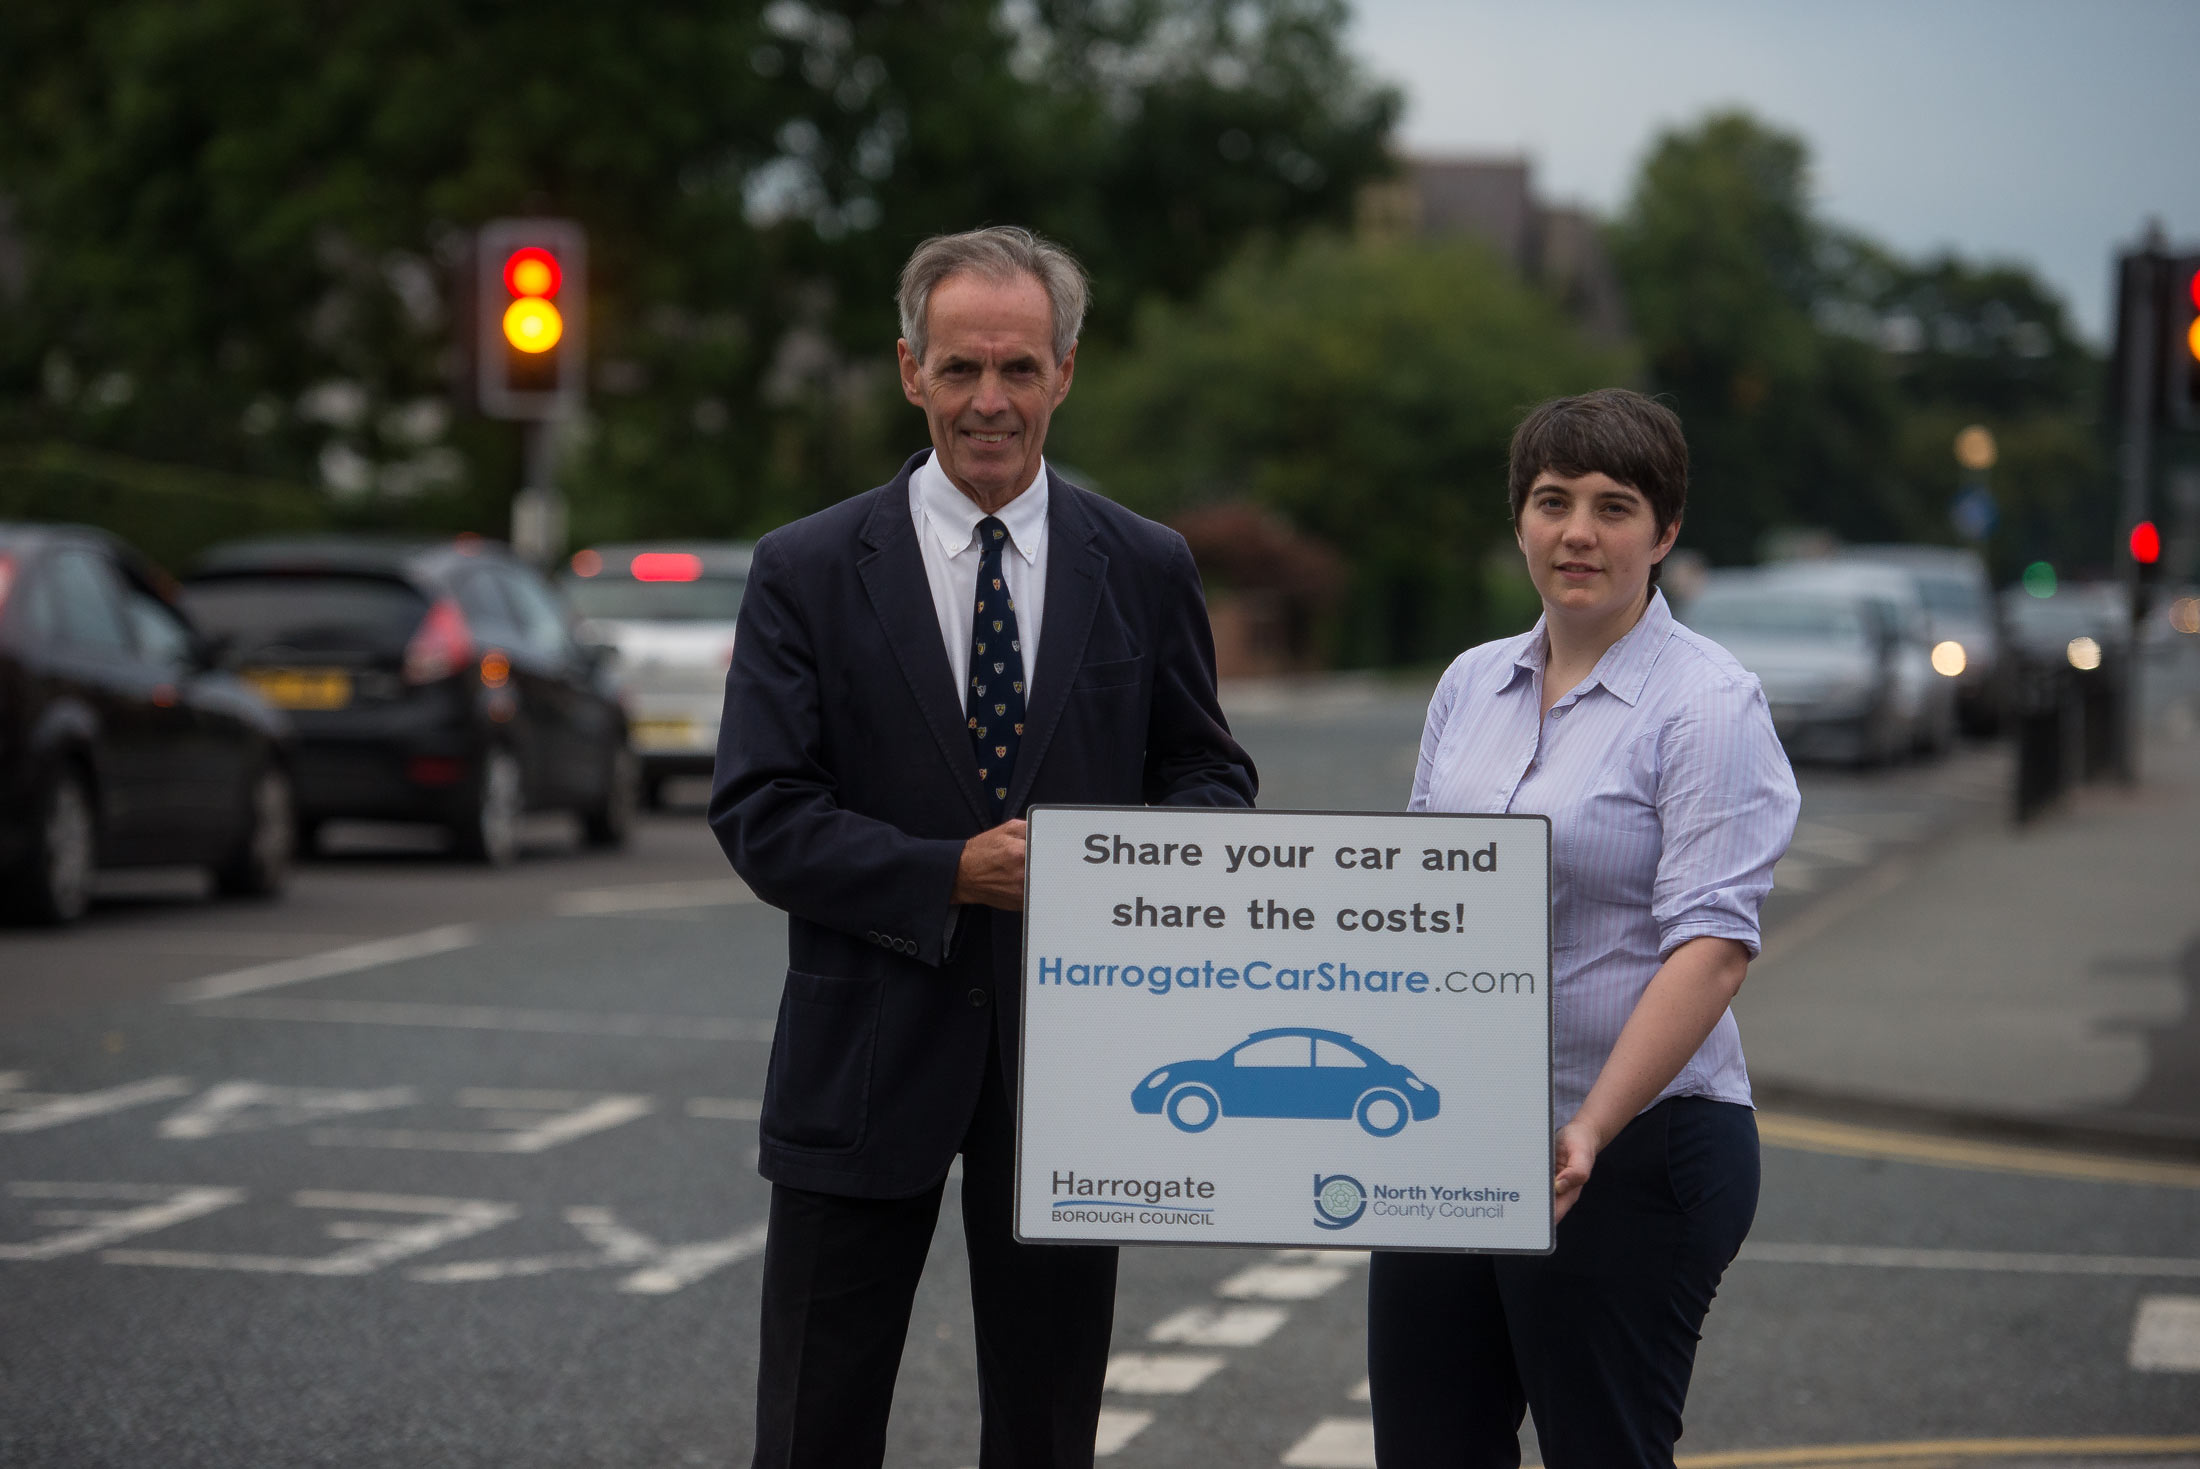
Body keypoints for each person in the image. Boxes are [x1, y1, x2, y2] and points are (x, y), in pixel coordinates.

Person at [710, 226, 1257, 1469]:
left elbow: (1206, 773)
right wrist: (949, 874)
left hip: (1078, 1070)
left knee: (1047, 1426)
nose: (988, 401)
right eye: (959, 369)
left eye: (1018, 367)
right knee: (812, 1427)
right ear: (909, 370)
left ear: (1066, 369)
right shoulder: (804, 568)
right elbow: (761, 809)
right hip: (862, 1056)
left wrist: (1141, 872)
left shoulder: (1149, 563)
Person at [1366, 389, 1798, 1467]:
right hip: (1457, 1142)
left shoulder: (1707, 702)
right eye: (1552, 500)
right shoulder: (1470, 683)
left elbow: (1711, 946)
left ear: (1665, 532)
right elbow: (1421, 904)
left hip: (1632, 1148)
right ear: (1518, 518)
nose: (1577, 531)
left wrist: (1591, 1126)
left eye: (1615, 506)